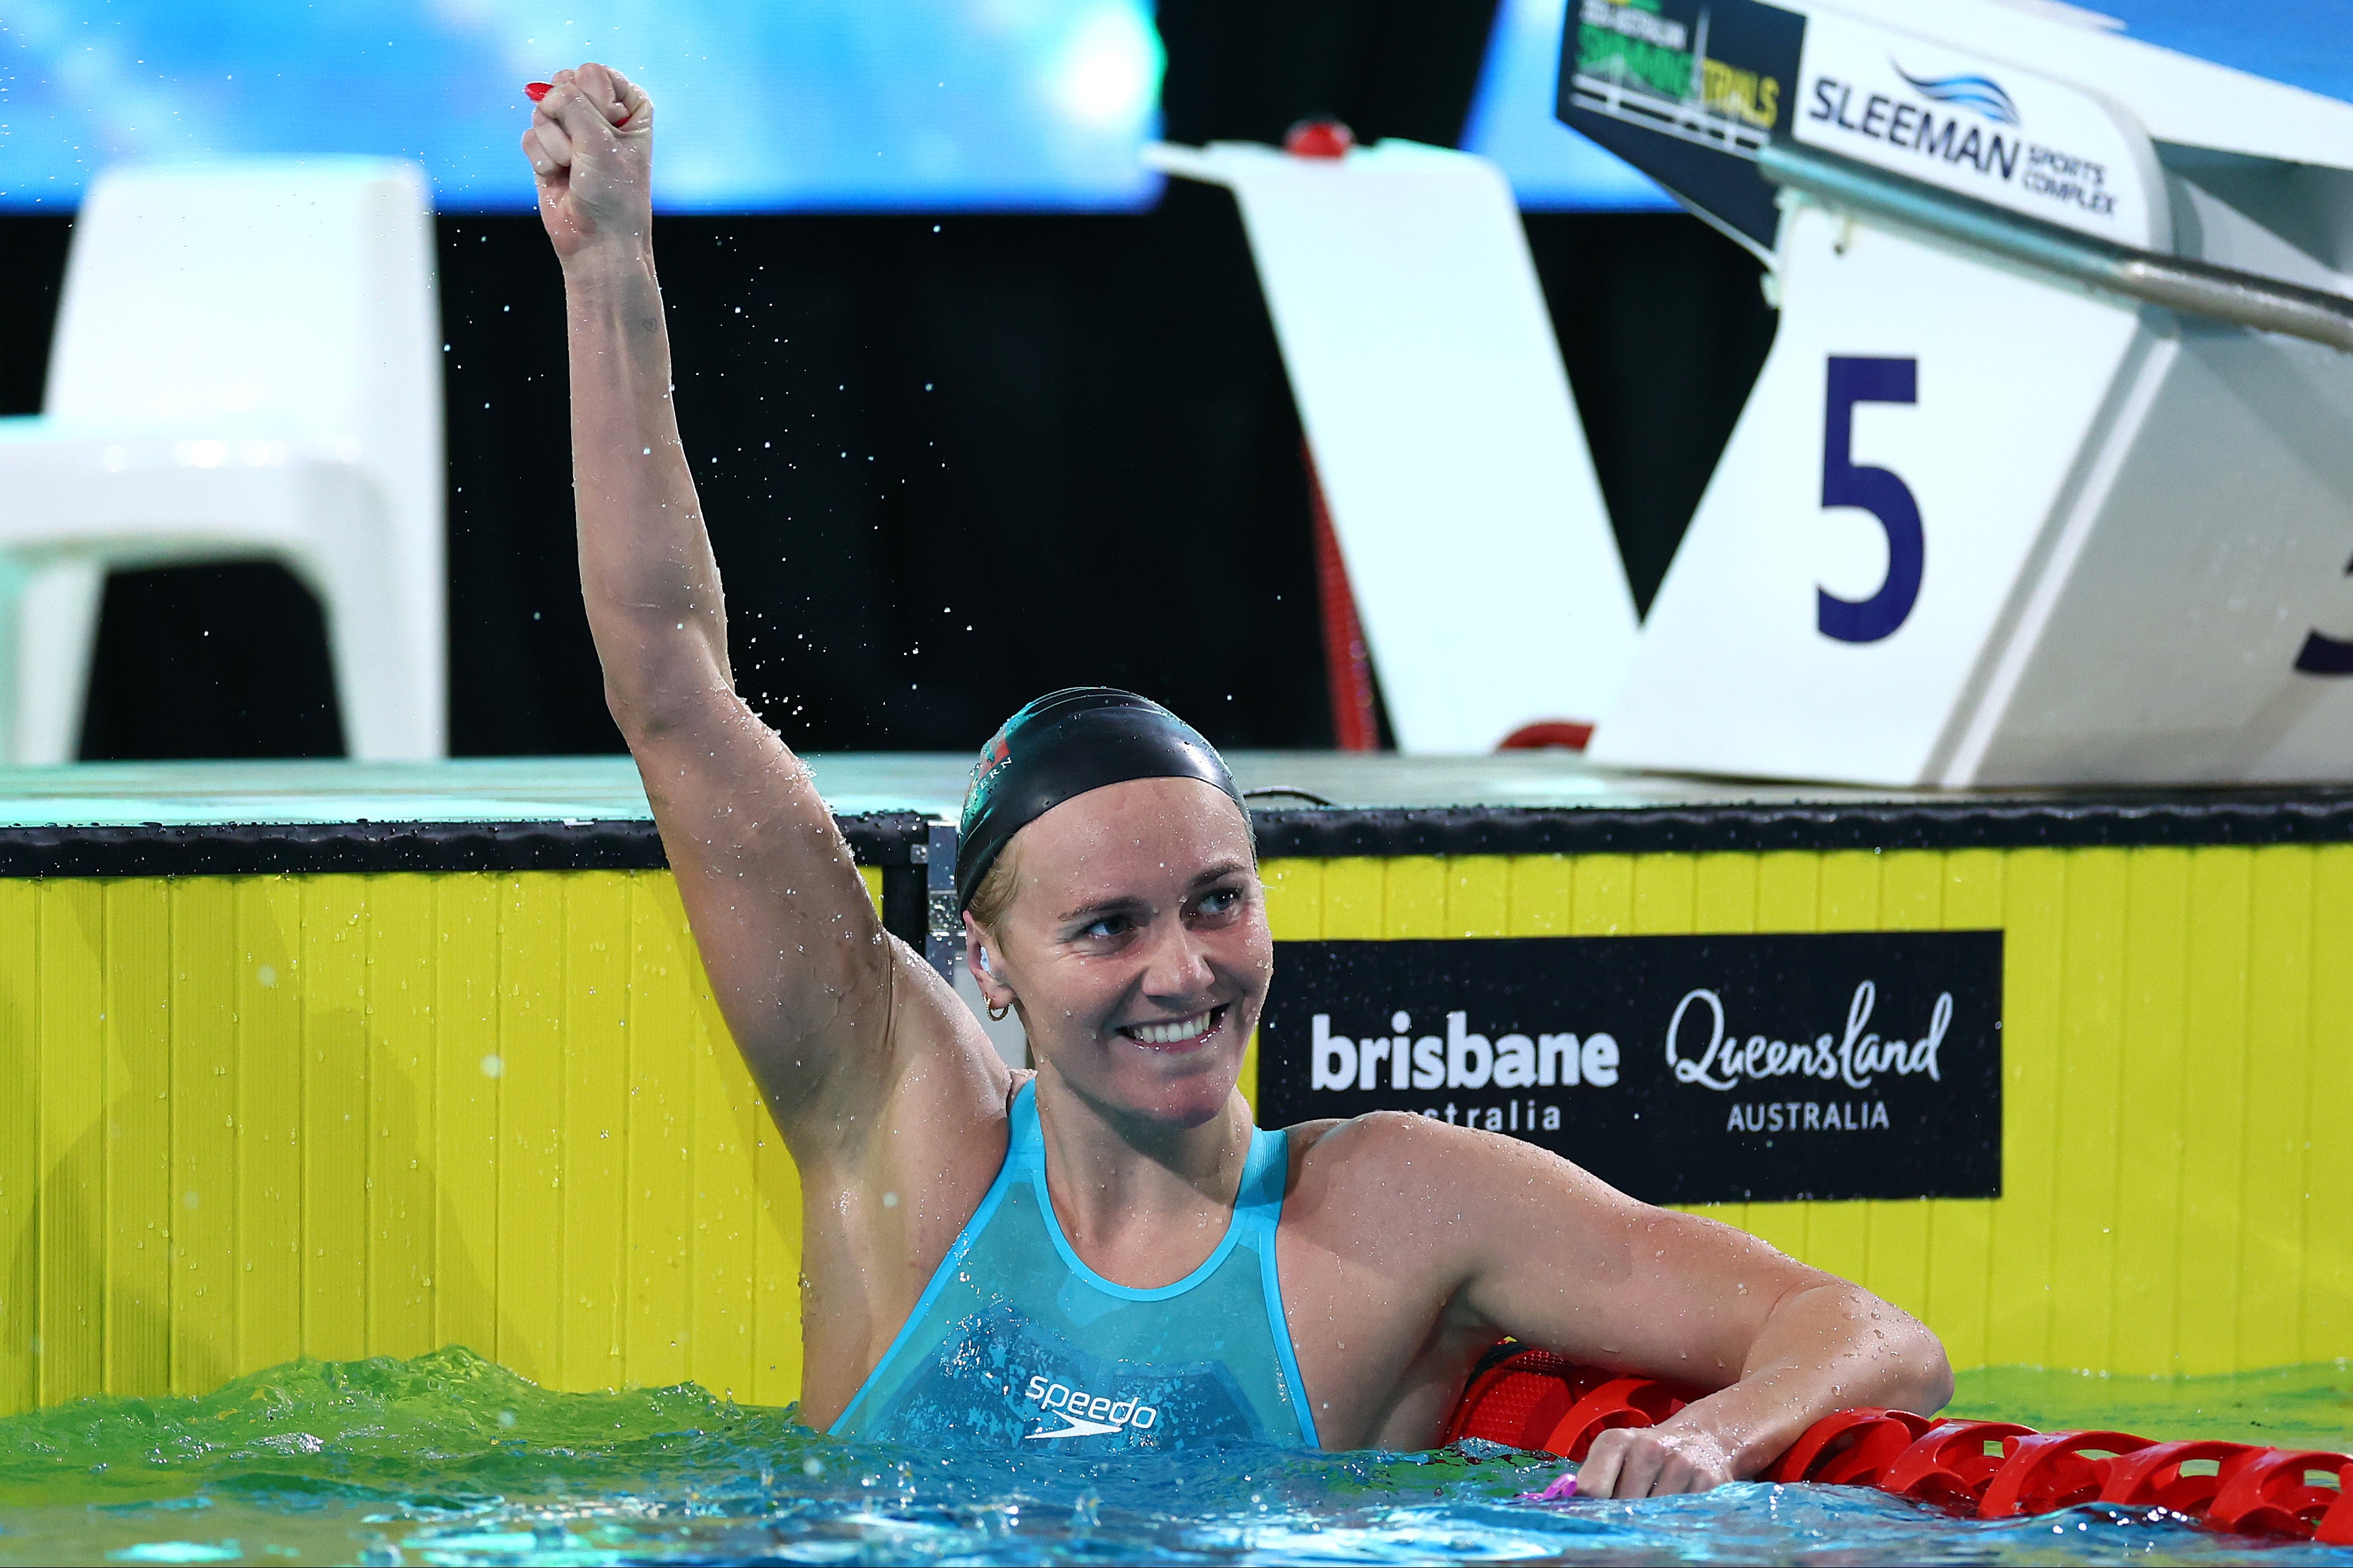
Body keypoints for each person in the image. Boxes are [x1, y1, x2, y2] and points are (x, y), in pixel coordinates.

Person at [521, 63, 1953, 1493]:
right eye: (1108, 925)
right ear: (989, 961)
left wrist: (1712, 1432)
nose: (1183, 966)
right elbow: (669, 676)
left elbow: (1870, 1333)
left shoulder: (1393, 1204)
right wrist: (612, 269)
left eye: (1216, 899)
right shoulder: (902, 1126)